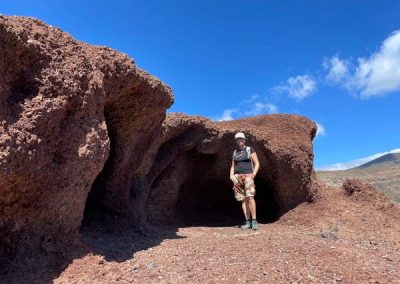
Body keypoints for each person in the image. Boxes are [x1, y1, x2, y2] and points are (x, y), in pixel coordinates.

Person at [230, 132, 260, 230]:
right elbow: (233, 166)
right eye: (237, 139)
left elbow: (257, 163)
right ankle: (247, 221)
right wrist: (231, 176)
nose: (239, 140)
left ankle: (254, 221)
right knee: (243, 199)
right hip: (238, 177)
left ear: (244, 140)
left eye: (241, 139)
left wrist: (253, 174)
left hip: (248, 176)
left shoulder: (249, 149)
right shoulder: (235, 152)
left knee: (250, 197)